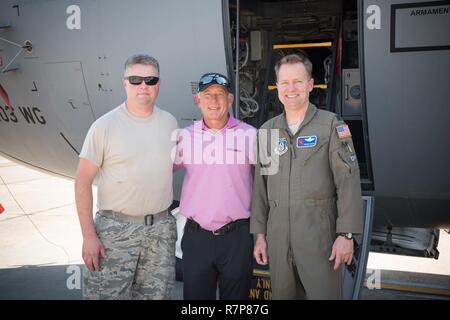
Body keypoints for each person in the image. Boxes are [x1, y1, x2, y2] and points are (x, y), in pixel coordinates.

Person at [250, 53, 363, 299]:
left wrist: (346, 235)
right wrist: (260, 236)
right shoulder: (267, 131)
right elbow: (260, 188)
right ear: (277, 87)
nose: (291, 89)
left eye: (298, 81)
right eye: (284, 82)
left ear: (311, 85)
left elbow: (348, 181)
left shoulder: (331, 125)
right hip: (278, 239)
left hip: (319, 238)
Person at [75, 54, 178, 299]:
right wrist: (88, 236)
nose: (144, 86)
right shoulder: (105, 126)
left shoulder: (170, 123)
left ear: (159, 84)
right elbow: (82, 181)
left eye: (150, 80)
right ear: (125, 83)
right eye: (135, 79)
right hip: (115, 233)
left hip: (160, 233)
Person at [174, 73, 256, 299]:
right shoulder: (184, 137)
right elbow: (158, 173)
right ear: (197, 100)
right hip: (197, 237)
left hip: (237, 238)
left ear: (230, 99)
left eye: (219, 94)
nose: (213, 101)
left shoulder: (250, 135)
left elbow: (268, 185)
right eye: (207, 95)